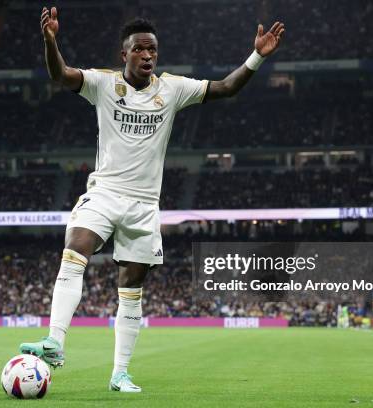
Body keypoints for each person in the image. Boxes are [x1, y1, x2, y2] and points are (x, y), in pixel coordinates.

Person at [20, 6, 285, 392]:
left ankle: (120, 373)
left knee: (131, 289)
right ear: (124, 55)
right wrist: (50, 42)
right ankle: (55, 342)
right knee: (75, 248)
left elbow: (227, 87)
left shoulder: (173, 88)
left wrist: (257, 55)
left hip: (144, 206)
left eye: (153, 51)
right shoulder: (103, 84)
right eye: (140, 49)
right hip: (104, 193)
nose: (148, 56)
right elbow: (60, 74)